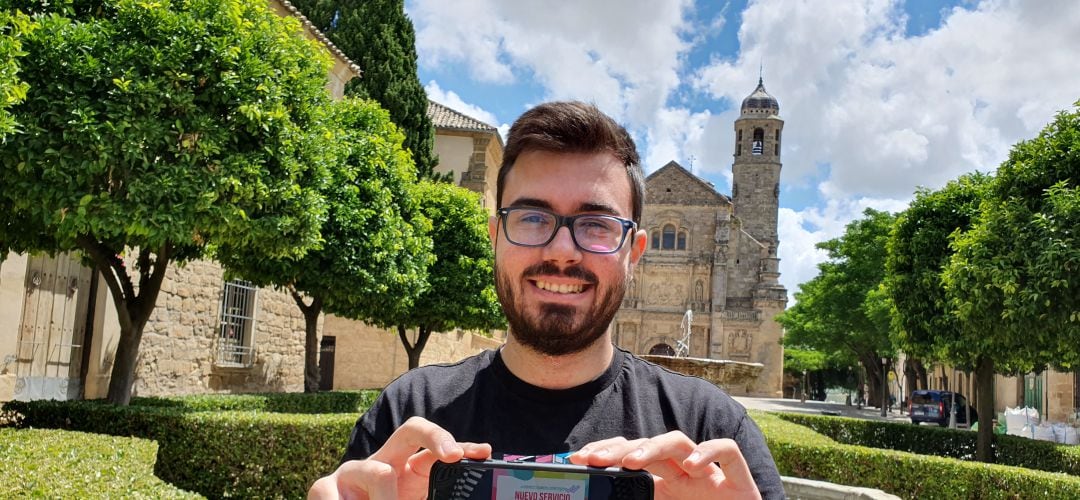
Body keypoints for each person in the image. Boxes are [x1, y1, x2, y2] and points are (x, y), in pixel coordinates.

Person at [308, 101, 784, 500]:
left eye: (596, 224)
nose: (561, 251)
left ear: (634, 253)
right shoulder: (408, 414)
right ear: (496, 236)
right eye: (533, 218)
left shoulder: (712, 434)